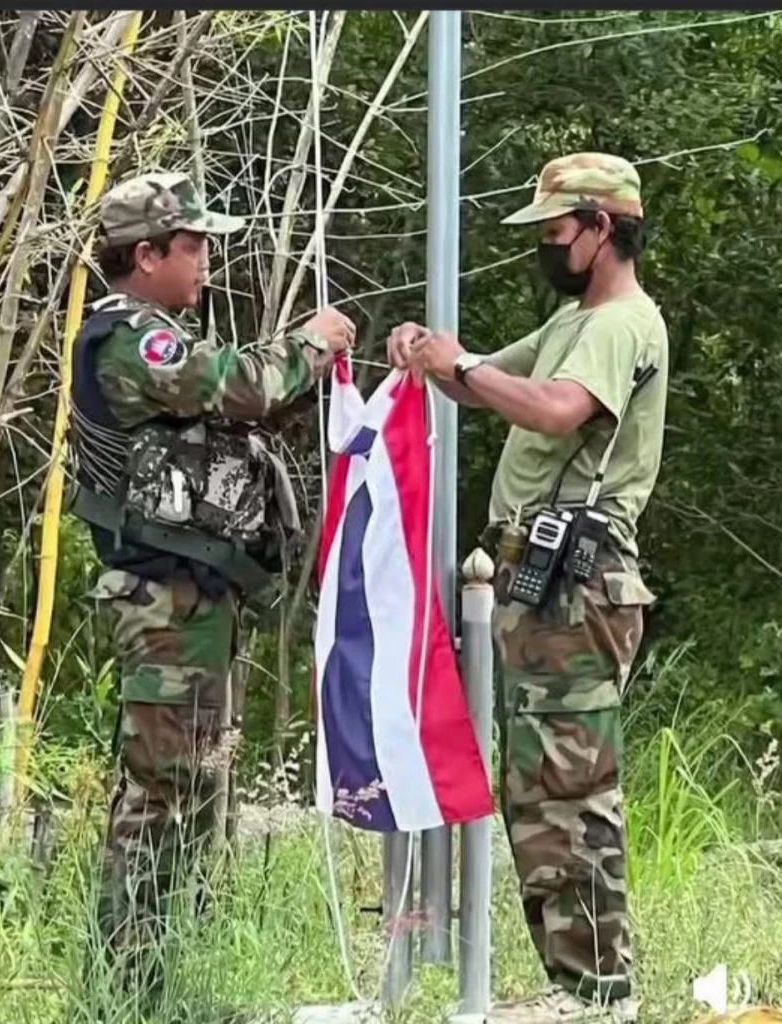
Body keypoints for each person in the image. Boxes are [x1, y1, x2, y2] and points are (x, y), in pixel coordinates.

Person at [386, 153, 667, 1023]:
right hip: (539, 587)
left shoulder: (621, 324)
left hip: (577, 586)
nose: (545, 246)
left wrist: (457, 365)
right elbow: (481, 384)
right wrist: (427, 356)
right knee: (536, 789)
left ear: (603, 229)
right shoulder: (571, 319)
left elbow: (550, 409)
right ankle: (570, 984)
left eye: (556, 231)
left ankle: (598, 990)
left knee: (571, 789)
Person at [68, 169, 355, 1005]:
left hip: (194, 604)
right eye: (192, 246)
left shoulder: (155, 334)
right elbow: (237, 384)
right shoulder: (131, 338)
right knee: (164, 794)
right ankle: (129, 987)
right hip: (164, 605)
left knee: (198, 792)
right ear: (146, 254)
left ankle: (176, 974)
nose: (204, 263)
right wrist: (314, 341)